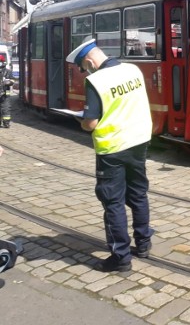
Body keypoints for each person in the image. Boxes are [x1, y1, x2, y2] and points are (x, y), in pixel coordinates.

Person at [66, 38, 154, 273]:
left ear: (88, 61)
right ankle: (144, 244)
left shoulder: (96, 81)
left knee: (113, 202)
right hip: (139, 141)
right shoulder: (132, 70)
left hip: (113, 148)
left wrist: (80, 120)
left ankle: (121, 257)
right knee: (138, 194)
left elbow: (91, 122)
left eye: (84, 68)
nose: (85, 72)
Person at [0, 56, 14, 128]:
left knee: (6, 108)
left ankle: (6, 123)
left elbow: (12, 80)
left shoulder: (7, 71)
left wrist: (8, 82)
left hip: (6, 93)